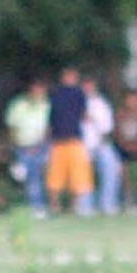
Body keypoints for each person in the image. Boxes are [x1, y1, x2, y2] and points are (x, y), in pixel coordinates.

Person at [44, 68, 94, 216]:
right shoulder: (56, 94)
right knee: (55, 175)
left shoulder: (79, 94)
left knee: (77, 175)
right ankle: (55, 206)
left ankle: (74, 206)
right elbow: (51, 117)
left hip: (74, 140)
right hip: (58, 141)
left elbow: (83, 114)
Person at [4, 79, 52, 217]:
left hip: (42, 146)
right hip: (23, 146)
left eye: (42, 90)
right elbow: (12, 127)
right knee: (28, 178)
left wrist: (40, 144)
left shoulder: (47, 104)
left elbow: (49, 126)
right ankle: (34, 207)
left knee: (40, 177)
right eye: (37, 89)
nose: (39, 92)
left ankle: (41, 206)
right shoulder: (18, 105)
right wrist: (16, 145)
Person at [82, 77, 122, 216]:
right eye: (86, 85)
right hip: (81, 145)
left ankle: (108, 204)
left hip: (101, 143)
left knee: (112, 167)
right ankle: (85, 206)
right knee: (83, 172)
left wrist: (102, 139)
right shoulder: (76, 103)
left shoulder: (102, 104)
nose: (88, 88)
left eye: (90, 85)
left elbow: (107, 127)